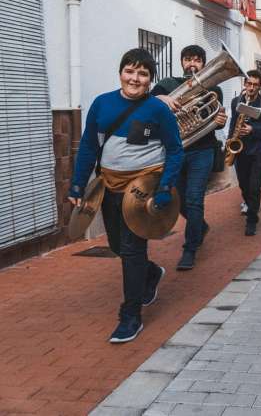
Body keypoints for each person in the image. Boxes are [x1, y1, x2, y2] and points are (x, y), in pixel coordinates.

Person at [69, 48, 183, 343]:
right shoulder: (102, 103)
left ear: (150, 79)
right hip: (109, 186)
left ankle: (131, 315)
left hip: (143, 190)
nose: (135, 78)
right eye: (129, 71)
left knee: (132, 251)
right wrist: (78, 183)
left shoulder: (158, 109)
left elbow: (175, 150)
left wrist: (165, 187)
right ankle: (151, 273)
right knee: (117, 246)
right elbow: (89, 146)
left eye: (142, 73)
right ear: (120, 73)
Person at [152, 45, 226, 271]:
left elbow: (214, 117)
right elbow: (146, 106)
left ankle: (190, 249)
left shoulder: (213, 88)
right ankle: (200, 226)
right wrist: (161, 99)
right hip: (175, 152)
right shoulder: (166, 85)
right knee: (178, 200)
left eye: (196, 60)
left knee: (194, 199)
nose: (191, 63)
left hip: (202, 151)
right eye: (187, 59)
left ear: (203, 64)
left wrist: (219, 121)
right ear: (182, 62)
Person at [229, 71, 261, 236]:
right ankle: (251, 205)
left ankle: (251, 220)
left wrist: (252, 129)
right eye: (248, 84)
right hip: (240, 149)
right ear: (244, 84)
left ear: (260, 86)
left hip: (258, 150)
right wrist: (229, 142)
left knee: (255, 186)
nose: (251, 88)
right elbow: (233, 123)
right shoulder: (236, 101)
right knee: (243, 185)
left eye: (255, 85)